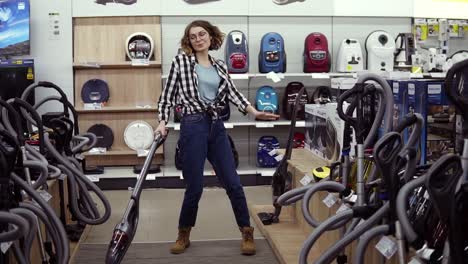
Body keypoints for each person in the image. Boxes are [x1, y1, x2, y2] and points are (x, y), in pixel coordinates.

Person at [155, 20, 279, 255]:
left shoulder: (220, 66)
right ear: (188, 41)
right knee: (195, 187)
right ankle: (183, 233)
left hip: (216, 126)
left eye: (202, 34)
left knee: (233, 182)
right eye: (193, 36)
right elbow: (167, 96)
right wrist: (162, 122)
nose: (198, 38)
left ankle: (246, 232)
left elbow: (233, 92)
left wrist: (254, 112)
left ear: (210, 37)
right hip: (192, 125)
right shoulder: (181, 62)